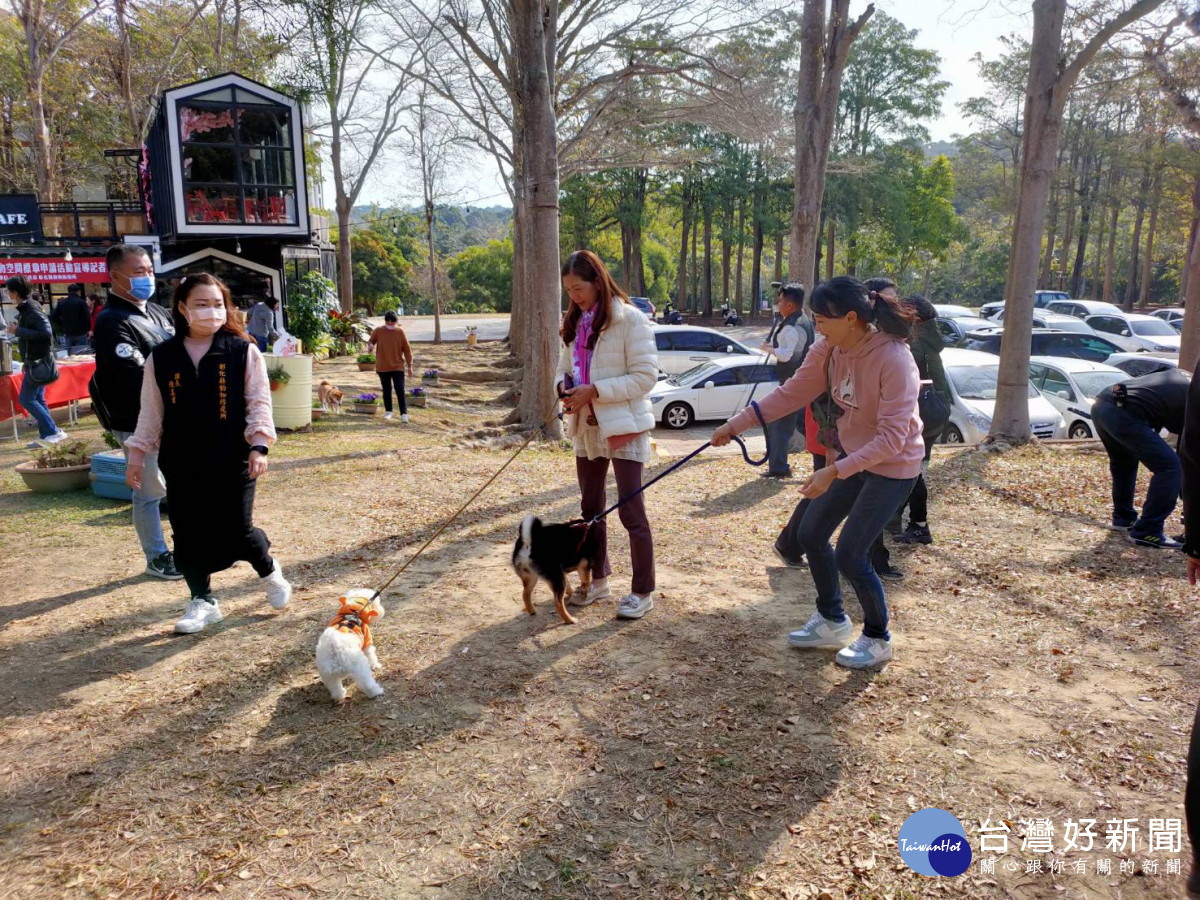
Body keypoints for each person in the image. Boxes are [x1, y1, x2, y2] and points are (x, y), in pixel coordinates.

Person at [713, 276, 923, 669]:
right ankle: (831, 619)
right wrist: (736, 425)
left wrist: (834, 470)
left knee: (852, 553)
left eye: (823, 320)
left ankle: (878, 637)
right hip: (852, 458)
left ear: (851, 317)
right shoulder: (828, 348)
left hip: (893, 467)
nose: (818, 328)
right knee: (809, 533)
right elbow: (792, 391)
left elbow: (894, 438)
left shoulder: (894, 359)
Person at [124, 273, 292, 634]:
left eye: (217, 304)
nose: (211, 311)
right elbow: (151, 411)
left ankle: (269, 571)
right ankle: (203, 600)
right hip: (181, 458)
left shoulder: (242, 350)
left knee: (238, 528)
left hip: (233, 456)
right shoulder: (162, 357)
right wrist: (137, 455)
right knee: (187, 532)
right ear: (182, 309)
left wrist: (259, 444)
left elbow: (258, 401)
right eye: (201, 304)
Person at [557, 249, 658, 620]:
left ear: (598, 282)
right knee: (590, 510)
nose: (575, 296)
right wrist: (564, 390)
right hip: (586, 426)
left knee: (632, 513)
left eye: (579, 288)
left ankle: (642, 591)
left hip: (624, 426)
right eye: (568, 290)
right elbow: (563, 368)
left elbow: (646, 377)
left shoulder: (630, 319)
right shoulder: (575, 322)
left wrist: (596, 389)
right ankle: (597, 580)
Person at [93, 244, 181, 581]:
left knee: (174, 484)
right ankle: (156, 555)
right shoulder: (110, 321)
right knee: (148, 491)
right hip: (137, 421)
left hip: (173, 415)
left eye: (149, 270)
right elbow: (135, 375)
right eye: (138, 272)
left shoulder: (158, 313)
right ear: (115, 277)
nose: (147, 277)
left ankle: (185, 544)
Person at [1092, 367, 1189, 549]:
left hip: (1104, 403)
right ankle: (1148, 530)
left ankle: (1123, 518)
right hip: (1124, 412)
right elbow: (1187, 459)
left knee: (1124, 464)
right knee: (1171, 468)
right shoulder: (1194, 401)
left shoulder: (1183, 378)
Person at [894, 295, 950, 545]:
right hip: (936, 411)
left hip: (923, 412)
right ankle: (902, 520)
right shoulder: (930, 339)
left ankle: (919, 524)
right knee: (915, 467)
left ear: (914, 317)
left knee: (912, 470)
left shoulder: (915, 344)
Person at [758, 282, 814, 478]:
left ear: (789, 305)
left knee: (781, 425)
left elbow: (786, 355)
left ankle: (779, 467)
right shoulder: (803, 319)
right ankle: (779, 465)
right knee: (798, 424)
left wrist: (768, 349)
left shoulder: (792, 326)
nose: (777, 303)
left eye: (780, 300)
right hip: (799, 381)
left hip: (793, 383)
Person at [6, 276, 67, 446]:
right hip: (34, 362)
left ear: (15, 292)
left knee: (26, 399)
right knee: (38, 399)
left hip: (39, 362)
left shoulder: (31, 308)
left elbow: (46, 334)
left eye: (8, 290)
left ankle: (53, 431)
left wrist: (18, 330)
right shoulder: (27, 308)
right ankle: (46, 436)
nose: (6, 293)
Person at [368, 311, 414, 422]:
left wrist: (410, 366)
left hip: (397, 366)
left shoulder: (400, 332)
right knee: (386, 389)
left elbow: (407, 350)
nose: (390, 325)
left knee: (400, 389)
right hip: (383, 366)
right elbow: (371, 341)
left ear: (396, 322)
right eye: (388, 323)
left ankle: (404, 414)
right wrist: (370, 346)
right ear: (385, 321)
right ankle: (388, 411)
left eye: (392, 323)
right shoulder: (378, 331)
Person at [52, 285, 91, 352]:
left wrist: (62, 324)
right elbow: (87, 318)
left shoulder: (62, 303)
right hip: (81, 332)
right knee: (82, 354)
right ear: (78, 292)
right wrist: (87, 329)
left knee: (70, 355)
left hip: (68, 332)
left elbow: (54, 317)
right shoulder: (82, 302)